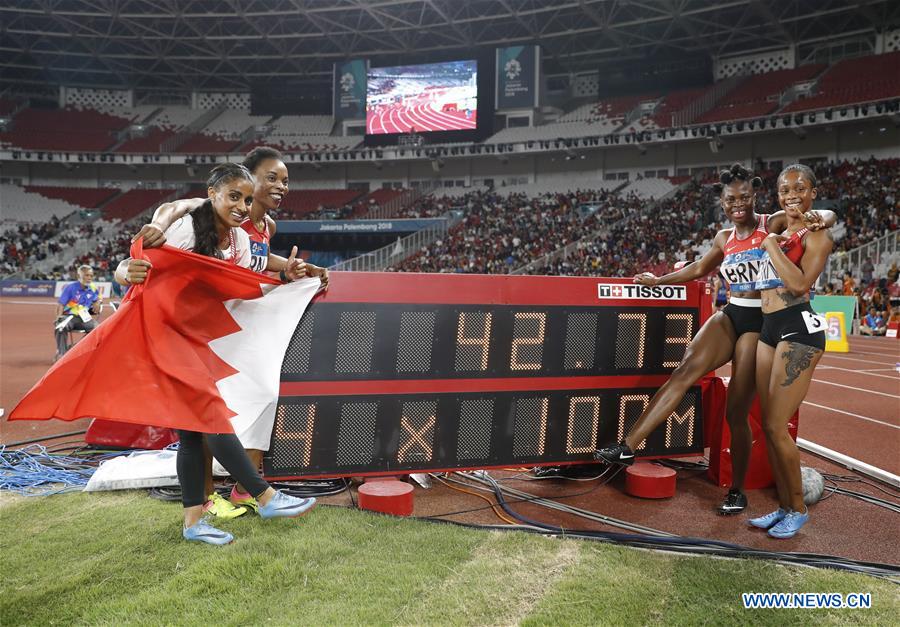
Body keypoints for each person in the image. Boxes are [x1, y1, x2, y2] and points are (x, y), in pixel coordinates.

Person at [595, 163, 835, 515]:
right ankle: (629, 445)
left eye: (744, 197)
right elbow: (697, 269)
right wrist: (658, 282)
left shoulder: (774, 223)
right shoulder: (724, 238)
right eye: (730, 199)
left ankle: (737, 490)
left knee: (736, 412)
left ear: (755, 198)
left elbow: (817, 214)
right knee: (685, 370)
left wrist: (824, 217)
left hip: (762, 322)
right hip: (732, 312)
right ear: (722, 203)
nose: (737, 204)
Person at [115, 163, 316, 545]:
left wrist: (287, 275)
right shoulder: (186, 229)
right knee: (210, 412)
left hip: (191, 337)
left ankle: (193, 523)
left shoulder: (239, 240)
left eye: (246, 198)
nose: (241, 206)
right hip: (160, 332)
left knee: (192, 433)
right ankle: (265, 495)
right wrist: (126, 271)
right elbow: (132, 264)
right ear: (213, 194)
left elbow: (244, 281)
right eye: (233, 197)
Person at [750, 164, 833, 539]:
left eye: (800, 188)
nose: (792, 194)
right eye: (785, 189)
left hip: (799, 329)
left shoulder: (818, 236)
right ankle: (783, 506)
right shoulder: (783, 223)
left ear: (814, 192)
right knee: (766, 426)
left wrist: (769, 244)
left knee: (774, 426)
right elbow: (782, 217)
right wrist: (774, 232)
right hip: (770, 328)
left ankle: (797, 509)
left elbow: (799, 285)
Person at [54, 265, 102, 359]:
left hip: (84, 318)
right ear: (79, 276)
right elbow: (60, 304)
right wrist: (58, 318)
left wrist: (97, 302)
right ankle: (62, 354)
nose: (89, 278)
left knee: (98, 330)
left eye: (91, 276)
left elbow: (98, 298)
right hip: (69, 317)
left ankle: (75, 348)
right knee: (60, 327)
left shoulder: (93, 288)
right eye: (86, 275)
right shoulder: (70, 288)